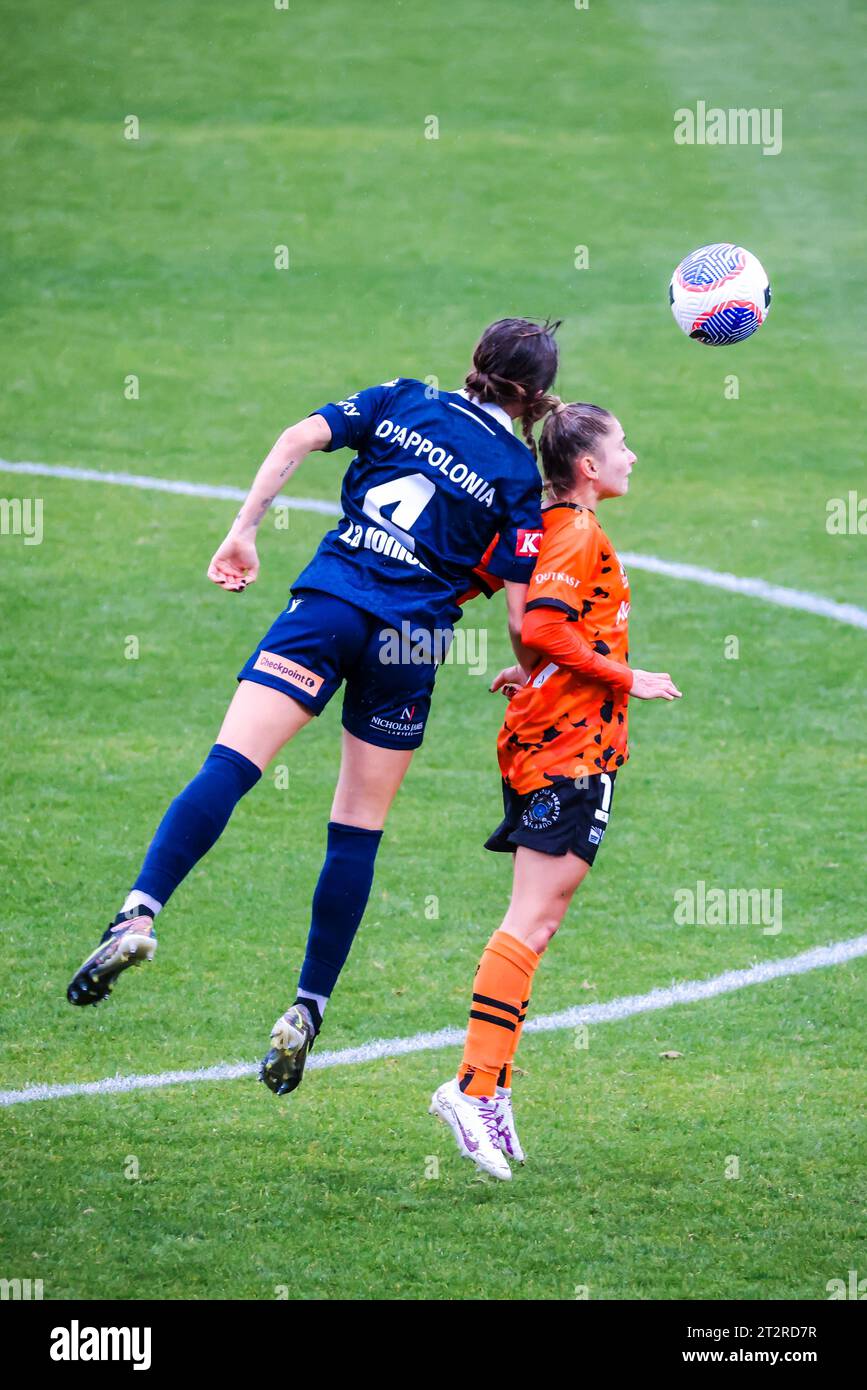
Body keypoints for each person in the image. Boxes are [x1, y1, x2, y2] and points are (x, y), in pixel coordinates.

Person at [66, 318, 563, 1100]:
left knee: (229, 767)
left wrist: (243, 532)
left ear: (473, 365)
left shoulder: (401, 399)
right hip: (406, 646)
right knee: (355, 828)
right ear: (536, 399)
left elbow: (296, 437)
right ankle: (306, 1005)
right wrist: (530, 673)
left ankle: (138, 914)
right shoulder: (515, 478)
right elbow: (519, 614)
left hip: (327, 605)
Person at [430, 402, 682, 1179]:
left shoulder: (552, 525)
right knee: (530, 920)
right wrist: (626, 677)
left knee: (538, 923)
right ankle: (469, 1088)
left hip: (556, 740)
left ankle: (494, 1088)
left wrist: (536, 672)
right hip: (569, 749)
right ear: (587, 467)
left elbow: (543, 629)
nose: (632, 457)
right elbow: (543, 626)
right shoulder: (577, 530)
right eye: (621, 446)